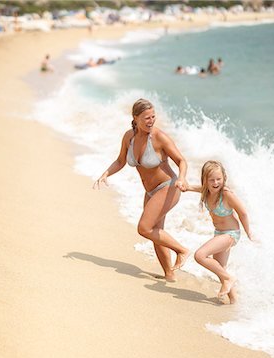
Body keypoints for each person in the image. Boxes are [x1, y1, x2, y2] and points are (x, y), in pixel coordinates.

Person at [93, 98, 190, 282]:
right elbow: (121, 161)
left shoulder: (159, 137)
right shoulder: (129, 137)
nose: (151, 120)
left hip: (168, 187)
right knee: (156, 232)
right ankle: (169, 275)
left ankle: (182, 250)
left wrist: (183, 178)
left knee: (144, 228)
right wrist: (106, 173)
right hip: (151, 191)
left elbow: (182, 161)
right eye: (146, 118)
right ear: (135, 118)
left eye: (153, 117)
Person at [184, 160, 252, 303]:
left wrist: (249, 232)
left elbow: (243, 213)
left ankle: (229, 278)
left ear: (224, 178)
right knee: (220, 268)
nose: (215, 183)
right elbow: (199, 189)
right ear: (205, 181)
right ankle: (234, 302)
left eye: (219, 179)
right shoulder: (206, 191)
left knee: (200, 255)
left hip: (231, 234)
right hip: (219, 233)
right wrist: (188, 187)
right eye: (212, 180)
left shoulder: (226, 194)